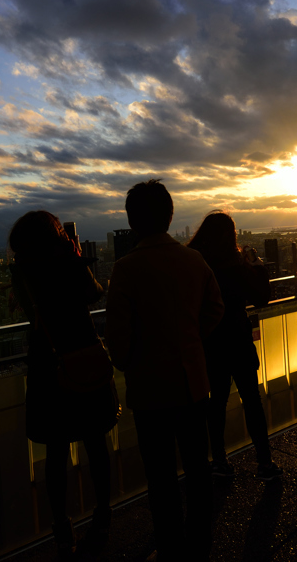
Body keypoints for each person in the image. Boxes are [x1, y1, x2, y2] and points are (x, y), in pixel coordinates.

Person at [105, 180, 224, 561]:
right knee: (198, 466)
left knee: (160, 476)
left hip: (150, 387)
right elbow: (215, 309)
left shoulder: (125, 269)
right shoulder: (194, 260)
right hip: (193, 381)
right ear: (170, 216)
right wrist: (190, 340)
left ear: (132, 220)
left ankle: (171, 547)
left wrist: (130, 357)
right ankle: (201, 542)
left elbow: (119, 341)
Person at [8, 211, 119, 559]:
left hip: (47, 361)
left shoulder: (22, 269)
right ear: (56, 233)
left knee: (55, 452)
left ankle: (61, 528)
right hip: (82, 353)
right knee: (95, 441)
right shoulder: (67, 261)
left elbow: (29, 309)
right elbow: (93, 293)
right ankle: (102, 515)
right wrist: (74, 257)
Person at [187, 211, 280, 481]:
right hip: (238, 340)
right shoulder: (237, 267)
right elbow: (262, 297)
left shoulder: (197, 264)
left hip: (210, 342)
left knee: (215, 404)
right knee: (252, 401)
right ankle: (264, 462)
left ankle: (218, 460)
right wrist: (257, 264)